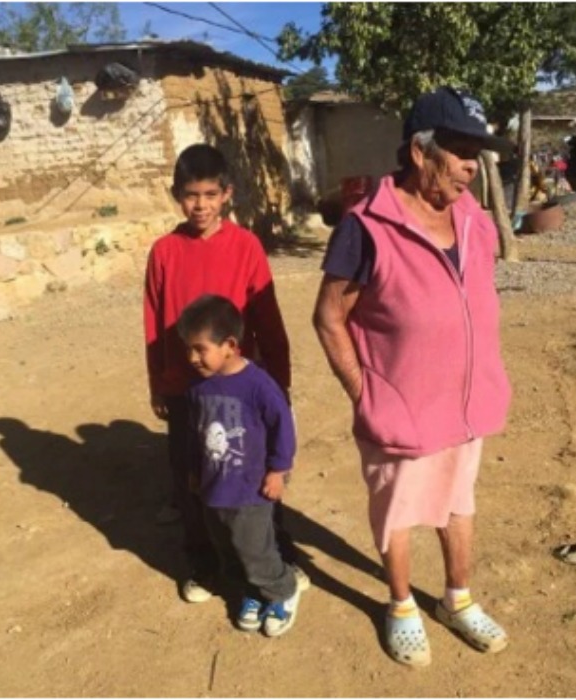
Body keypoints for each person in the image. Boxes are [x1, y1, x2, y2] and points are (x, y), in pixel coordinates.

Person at [313, 86, 513, 667]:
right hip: (398, 408)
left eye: (477, 152)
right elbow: (329, 317)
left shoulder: (473, 218)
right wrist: (365, 391)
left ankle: (457, 598)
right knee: (399, 511)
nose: (472, 165)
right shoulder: (365, 226)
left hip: (465, 404)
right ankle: (401, 605)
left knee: (458, 504)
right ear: (420, 152)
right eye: (460, 151)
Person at [144, 144, 304, 603]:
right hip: (184, 389)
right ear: (176, 195)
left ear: (227, 194)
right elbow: (154, 324)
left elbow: (267, 316)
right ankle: (204, 563)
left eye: (210, 194)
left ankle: (277, 555)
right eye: (190, 195)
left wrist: (280, 379)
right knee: (192, 478)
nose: (200, 205)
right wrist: (159, 381)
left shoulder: (245, 246)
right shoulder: (164, 252)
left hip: (240, 392)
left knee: (252, 475)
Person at [177, 294, 301, 636]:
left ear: (230, 345)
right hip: (213, 487)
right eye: (187, 348)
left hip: (251, 487)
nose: (192, 357)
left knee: (254, 546)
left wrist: (278, 470)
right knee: (227, 546)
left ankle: (282, 590)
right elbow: (194, 432)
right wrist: (193, 470)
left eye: (200, 349)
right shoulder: (197, 386)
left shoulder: (258, 384)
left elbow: (283, 427)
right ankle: (252, 591)